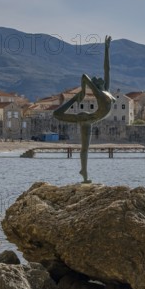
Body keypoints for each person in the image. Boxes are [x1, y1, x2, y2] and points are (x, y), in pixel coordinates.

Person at [54, 35, 115, 183]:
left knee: (85, 148)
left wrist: (106, 49)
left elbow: (107, 68)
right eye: (98, 80)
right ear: (96, 85)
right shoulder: (99, 93)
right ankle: (74, 99)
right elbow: (84, 76)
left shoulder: (106, 90)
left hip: (90, 119)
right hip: (85, 118)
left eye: (100, 80)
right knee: (56, 114)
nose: (100, 79)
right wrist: (82, 91)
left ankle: (84, 172)